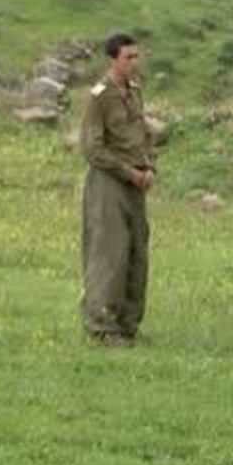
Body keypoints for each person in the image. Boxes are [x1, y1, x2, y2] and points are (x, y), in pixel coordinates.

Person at [80, 33, 154, 347]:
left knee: (137, 252)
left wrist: (150, 167)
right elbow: (92, 148)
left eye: (137, 56)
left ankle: (127, 325)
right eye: (129, 57)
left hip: (137, 183)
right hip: (109, 183)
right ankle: (102, 327)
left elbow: (144, 135)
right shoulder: (100, 96)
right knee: (110, 254)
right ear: (113, 60)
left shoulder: (135, 92)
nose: (135, 63)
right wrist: (127, 172)